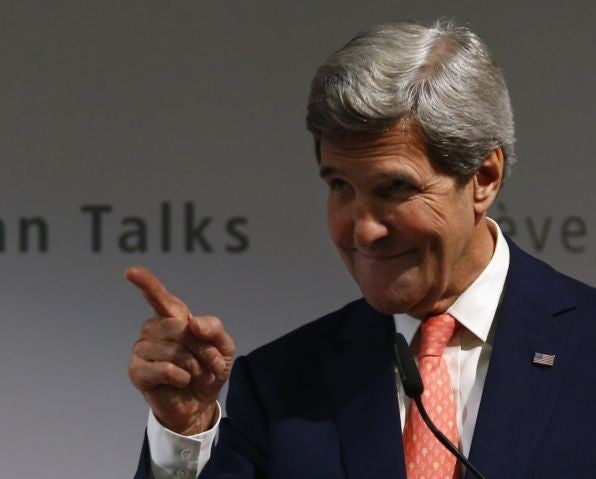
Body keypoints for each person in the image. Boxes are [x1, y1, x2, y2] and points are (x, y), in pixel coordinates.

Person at [126, 19, 596, 479]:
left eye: (394, 188)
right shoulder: (281, 384)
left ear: (483, 178)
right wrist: (184, 430)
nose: (364, 229)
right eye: (341, 187)